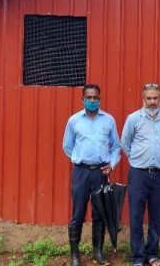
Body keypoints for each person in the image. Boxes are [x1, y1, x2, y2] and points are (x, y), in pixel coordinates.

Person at [62, 84, 122, 266]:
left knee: (99, 213)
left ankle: (98, 252)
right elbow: (67, 146)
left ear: (100, 99)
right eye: (89, 97)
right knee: (78, 213)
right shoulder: (74, 121)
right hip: (81, 173)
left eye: (95, 97)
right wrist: (79, 158)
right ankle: (75, 255)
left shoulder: (108, 120)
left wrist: (111, 165)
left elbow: (116, 146)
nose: (92, 100)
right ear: (83, 99)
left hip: (101, 173)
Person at [120, 83, 160, 266]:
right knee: (136, 216)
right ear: (143, 99)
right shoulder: (133, 119)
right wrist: (137, 159)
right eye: (149, 98)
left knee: (156, 215)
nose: (152, 102)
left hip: (159, 174)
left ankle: (151, 253)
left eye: (155, 98)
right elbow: (125, 143)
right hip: (138, 175)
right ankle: (137, 257)